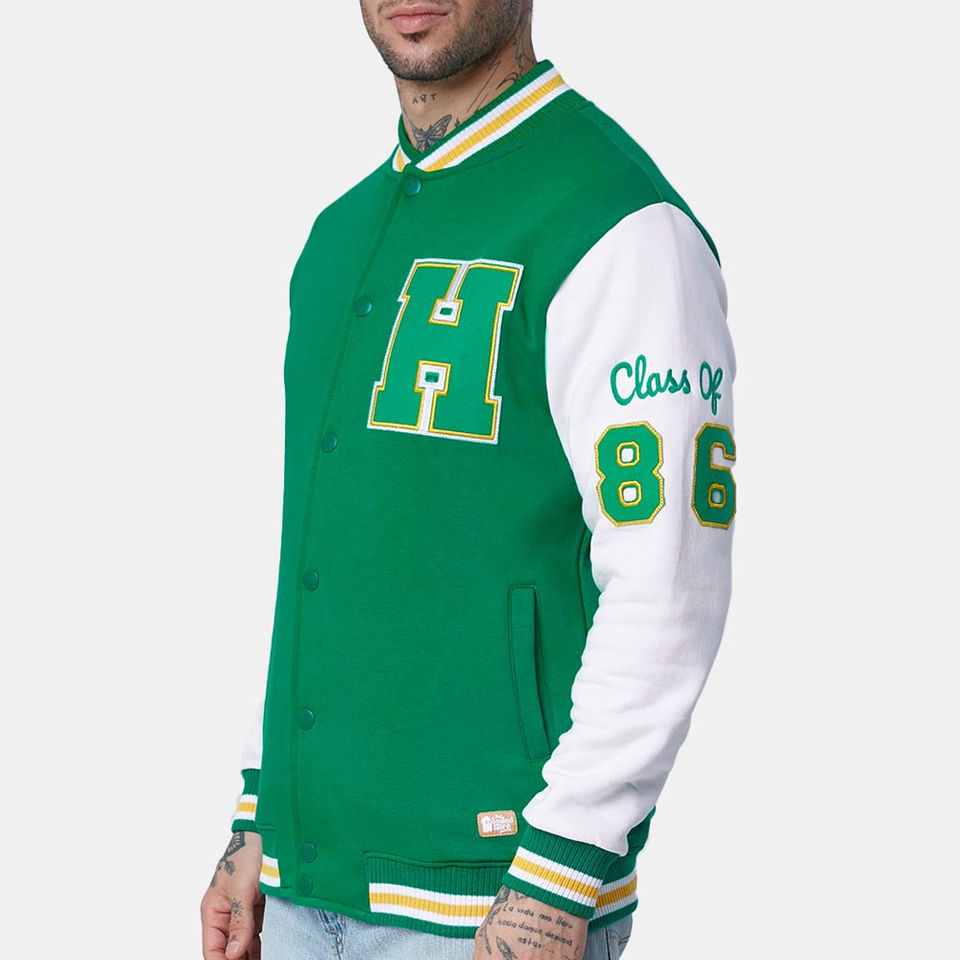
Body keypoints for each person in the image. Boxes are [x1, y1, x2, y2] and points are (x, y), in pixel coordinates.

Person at [200, 2, 737, 958]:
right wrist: (257, 812)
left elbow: (669, 583)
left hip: (494, 905)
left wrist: (561, 870)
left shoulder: (617, 224)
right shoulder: (339, 235)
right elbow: (325, 569)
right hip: (296, 890)